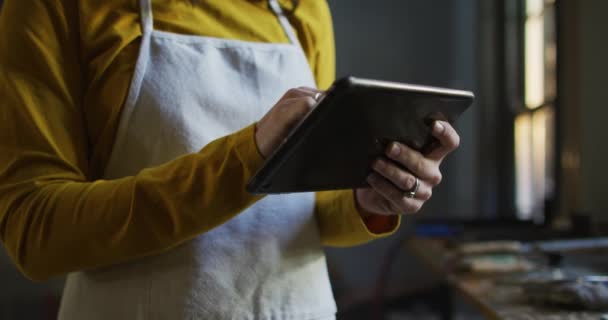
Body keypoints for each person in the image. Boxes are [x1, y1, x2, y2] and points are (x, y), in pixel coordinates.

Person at [0, 0, 461, 319]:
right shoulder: (56, 8)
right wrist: (248, 156)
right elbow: (36, 232)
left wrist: (368, 200)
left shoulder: (302, 10)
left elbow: (307, 213)